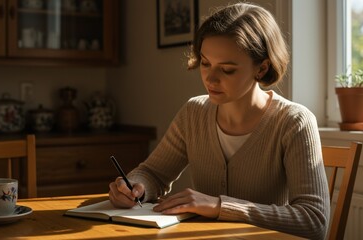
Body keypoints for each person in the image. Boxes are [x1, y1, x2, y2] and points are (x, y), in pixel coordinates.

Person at [108, 2, 330, 239]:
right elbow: (154, 173)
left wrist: (218, 206)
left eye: (227, 69)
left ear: (262, 68)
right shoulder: (193, 112)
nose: (210, 79)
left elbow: (314, 220)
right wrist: (134, 186)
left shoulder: (294, 122)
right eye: (205, 63)